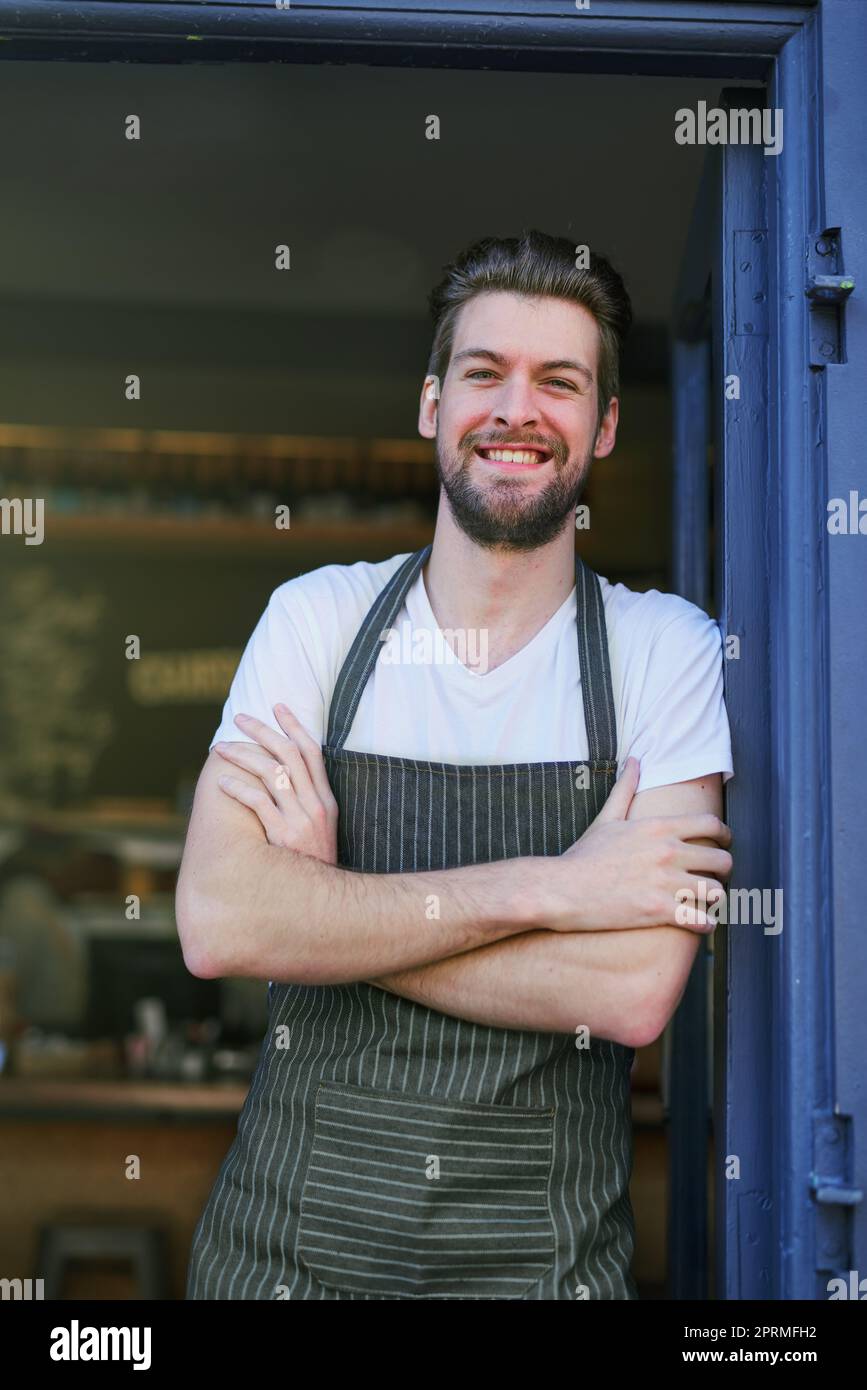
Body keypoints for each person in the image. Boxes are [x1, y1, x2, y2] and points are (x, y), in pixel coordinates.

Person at [178, 229, 734, 1301]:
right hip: (284, 1257)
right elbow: (218, 923)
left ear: (605, 424)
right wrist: (557, 887)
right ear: (433, 403)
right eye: (485, 373)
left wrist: (324, 915)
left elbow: (629, 992)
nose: (517, 409)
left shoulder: (665, 650)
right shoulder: (320, 621)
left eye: (559, 382)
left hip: (542, 1264)